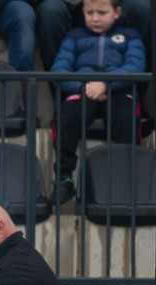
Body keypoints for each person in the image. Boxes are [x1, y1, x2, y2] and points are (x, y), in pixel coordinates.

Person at [48, 0, 146, 206]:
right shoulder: (74, 36)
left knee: (127, 118)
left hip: (119, 90)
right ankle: (64, 178)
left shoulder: (130, 35)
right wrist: (83, 87)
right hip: (85, 90)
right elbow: (59, 71)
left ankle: (127, 182)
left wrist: (106, 84)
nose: (95, 18)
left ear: (117, 12)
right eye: (90, 12)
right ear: (83, 11)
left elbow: (135, 66)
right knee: (66, 117)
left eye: (102, 13)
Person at [36, 0, 150, 71]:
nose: (95, 19)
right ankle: (63, 96)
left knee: (143, 8)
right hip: (65, 3)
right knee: (50, 11)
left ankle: (136, 95)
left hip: (114, 3)